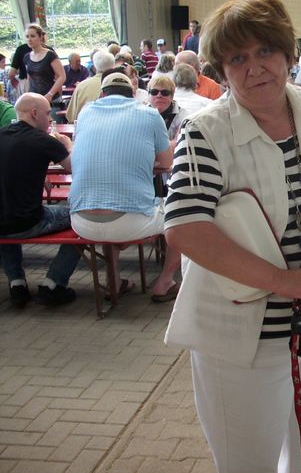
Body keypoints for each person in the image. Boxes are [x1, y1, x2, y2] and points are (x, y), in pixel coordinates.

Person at [163, 0, 301, 473]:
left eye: (265, 51)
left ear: (287, 53)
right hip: (242, 344)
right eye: (237, 58)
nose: (254, 68)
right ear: (221, 69)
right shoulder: (206, 132)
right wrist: (282, 281)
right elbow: (185, 229)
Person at [68, 71, 182, 302]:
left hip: (81, 221)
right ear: (133, 94)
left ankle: (114, 281)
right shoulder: (150, 114)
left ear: (102, 94)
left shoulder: (86, 112)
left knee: (110, 201)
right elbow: (167, 162)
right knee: (183, 215)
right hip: (129, 221)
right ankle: (165, 282)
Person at [0, 93, 81, 308]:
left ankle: (17, 283)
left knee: (6, 212)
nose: (51, 118)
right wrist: (68, 145)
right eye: (47, 113)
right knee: (84, 218)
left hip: (3, 222)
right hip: (30, 221)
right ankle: (53, 283)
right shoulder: (44, 140)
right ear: (34, 114)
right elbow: (77, 169)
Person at [65, 50, 116, 123]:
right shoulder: (121, 85)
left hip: (85, 126)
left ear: (94, 66)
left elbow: (71, 117)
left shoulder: (81, 86)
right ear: (113, 66)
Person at [22, 24, 66, 105]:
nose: (29, 39)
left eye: (32, 36)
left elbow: (62, 76)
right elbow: (29, 78)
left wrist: (50, 94)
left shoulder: (50, 55)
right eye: (27, 37)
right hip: (34, 98)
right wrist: (27, 95)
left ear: (40, 37)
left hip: (51, 99)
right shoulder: (27, 57)